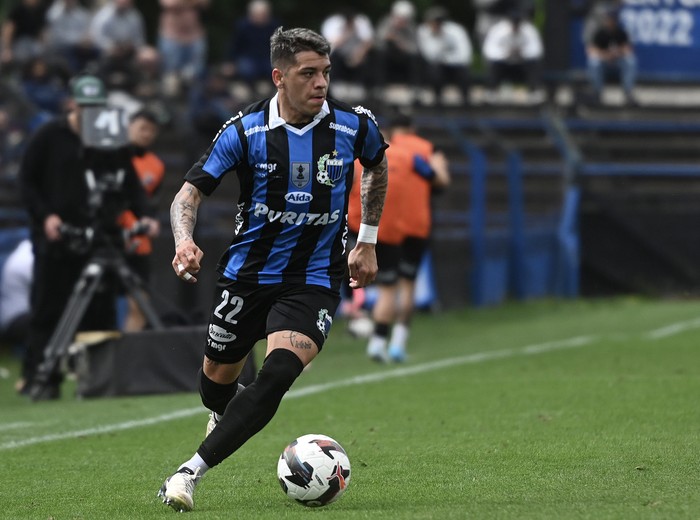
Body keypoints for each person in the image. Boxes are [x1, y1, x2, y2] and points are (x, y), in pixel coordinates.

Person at [157, 26, 388, 512]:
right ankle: (227, 409)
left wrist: (366, 239)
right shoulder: (244, 132)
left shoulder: (354, 126)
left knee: (279, 372)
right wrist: (183, 241)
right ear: (279, 77)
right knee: (214, 386)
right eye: (309, 73)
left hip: (314, 279)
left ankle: (187, 473)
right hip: (248, 276)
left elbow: (377, 165)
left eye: (326, 72)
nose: (321, 83)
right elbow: (188, 194)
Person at [18, 74, 158, 399]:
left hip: (100, 237)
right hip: (56, 239)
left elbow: (130, 185)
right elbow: (27, 181)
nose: (90, 113)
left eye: (96, 106)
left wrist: (145, 216)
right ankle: (39, 377)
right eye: (85, 106)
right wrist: (46, 217)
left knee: (101, 311)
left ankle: (99, 380)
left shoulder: (111, 139)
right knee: (48, 308)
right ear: (72, 104)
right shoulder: (48, 136)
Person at [348, 112, 450, 362]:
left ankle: (374, 338)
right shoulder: (425, 149)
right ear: (412, 128)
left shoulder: (374, 151)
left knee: (385, 286)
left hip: (379, 226)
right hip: (415, 225)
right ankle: (397, 343)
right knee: (406, 285)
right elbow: (442, 180)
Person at [117, 108, 164, 332]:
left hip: (139, 241)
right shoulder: (113, 157)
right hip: (114, 235)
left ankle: (128, 354)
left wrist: (149, 222)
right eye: (142, 128)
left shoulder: (156, 165)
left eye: (151, 131)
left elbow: (150, 202)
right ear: (129, 127)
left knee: (140, 304)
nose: (146, 134)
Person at [481, 9, 544, 101]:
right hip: (504, 64)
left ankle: (534, 92)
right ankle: (491, 92)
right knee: (493, 65)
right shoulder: (499, 30)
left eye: (517, 23)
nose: (516, 26)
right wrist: (506, 54)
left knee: (534, 64)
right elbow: (489, 51)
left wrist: (522, 53)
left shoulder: (529, 30)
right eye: (514, 23)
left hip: (521, 65)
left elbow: (537, 51)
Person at [416, 6, 472, 106]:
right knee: (434, 71)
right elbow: (430, 56)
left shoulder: (456, 30)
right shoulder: (423, 32)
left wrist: (449, 60)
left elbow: (465, 55)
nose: (437, 24)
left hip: (456, 65)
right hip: (437, 67)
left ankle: (466, 103)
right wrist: (438, 38)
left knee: (464, 72)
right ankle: (438, 101)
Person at [586, 8, 637, 106]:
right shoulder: (600, 33)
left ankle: (628, 94)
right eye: (608, 19)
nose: (609, 21)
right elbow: (592, 50)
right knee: (593, 62)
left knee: (630, 61)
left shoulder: (621, 33)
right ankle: (597, 93)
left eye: (612, 19)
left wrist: (616, 54)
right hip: (604, 63)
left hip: (617, 63)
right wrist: (605, 55)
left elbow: (628, 49)